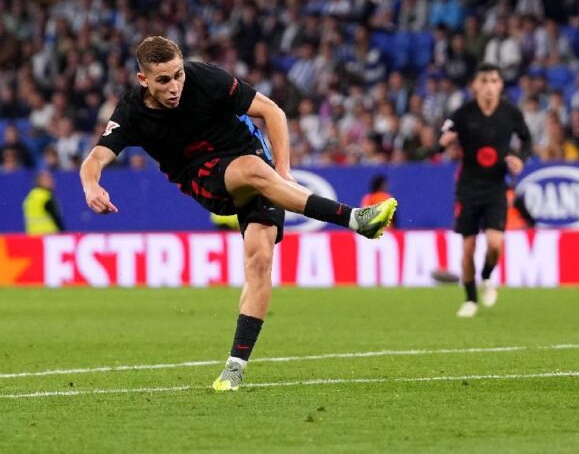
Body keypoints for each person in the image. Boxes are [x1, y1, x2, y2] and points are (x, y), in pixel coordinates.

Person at [79, 36, 397, 392]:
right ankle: (357, 220)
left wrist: (285, 172)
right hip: (201, 175)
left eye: (178, 75)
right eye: (163, 80)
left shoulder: (206, 78)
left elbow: (271, 111)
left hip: (253, 161)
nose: (174, 86)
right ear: (143, 80)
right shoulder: (131, 112)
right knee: (253, 171)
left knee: (260, 260)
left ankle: (235, 367)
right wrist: (92, 186)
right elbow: (95, 158)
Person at [439, 63, 532, 318]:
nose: (490, 85)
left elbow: (527, 139)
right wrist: (443, 141)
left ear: (501, 85)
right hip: (468, 188)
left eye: (494, 80)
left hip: (495, 188)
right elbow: (444, 133)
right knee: (468, 248)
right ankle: (470, 300)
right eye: (485, 80)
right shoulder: (464, 113)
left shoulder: (510, 113)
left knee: (494, 245)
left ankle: (488, 276)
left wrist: (519, 157)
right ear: (475, 86)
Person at [23, 170, 64, 234]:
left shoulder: (30, 197)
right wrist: (63, 232)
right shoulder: (46, 197)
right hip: (48, 235)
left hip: (32, 236)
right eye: (48, 180)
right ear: (40, 182)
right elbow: (56, 217)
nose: (52, 181)